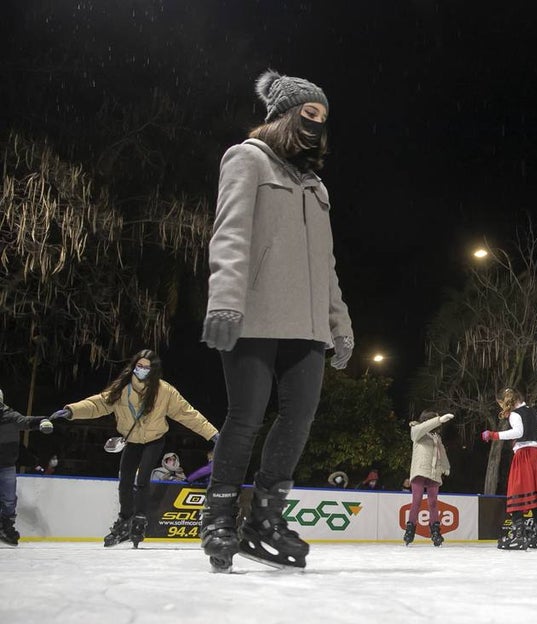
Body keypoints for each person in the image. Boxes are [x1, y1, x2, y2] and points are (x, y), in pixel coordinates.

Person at [198, 70, 354, 572]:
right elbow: (230, 232)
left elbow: (326, 265)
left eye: (323, 120)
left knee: (300, 417)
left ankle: (265, 517)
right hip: (255, 315)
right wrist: (224, 301)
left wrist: (339, 324)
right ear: (285, 114)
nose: (316, 126)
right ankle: (219, 515)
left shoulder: (316, 187)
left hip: (307, 327)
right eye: (309, 114)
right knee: (245, 417)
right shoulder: (246, 158)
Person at [50, 351, 218, 548]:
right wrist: (72, 411)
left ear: (153, 369)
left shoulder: (165, 391)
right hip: (132, 441)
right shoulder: (122, 389)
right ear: (134, 366)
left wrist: (212, 433)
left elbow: (187, 414)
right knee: (125, 480)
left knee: (142, 479)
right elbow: (98, 404)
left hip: (155, 440)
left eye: (147, 367)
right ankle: (125, 519)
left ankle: (139, 518)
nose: (142, 370)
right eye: (140, 366)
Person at [481, 388, 537, 551]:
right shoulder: (534, 412)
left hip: (524, 456)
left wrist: (493, 435)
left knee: (517, 493)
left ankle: (519, 536)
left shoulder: (515, 414)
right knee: (535, 497)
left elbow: (519, 432)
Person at [0, 387, 53, 547]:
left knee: (9, 500)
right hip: (8, 465)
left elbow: (27, 421)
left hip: (7, 465)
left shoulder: (10, 417)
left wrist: (43, 421)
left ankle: (6, 527)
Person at [404, 410, 453, 547]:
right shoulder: (417, 431)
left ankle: (435, 532)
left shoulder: (437, 437)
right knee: (416, 502)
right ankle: (410, 531)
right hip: (420, 471)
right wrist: (438, 420)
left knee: (433, 503)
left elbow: (441, 451)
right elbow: (422, 428)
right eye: (435, 420)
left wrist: (445, 465)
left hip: (434, 473)